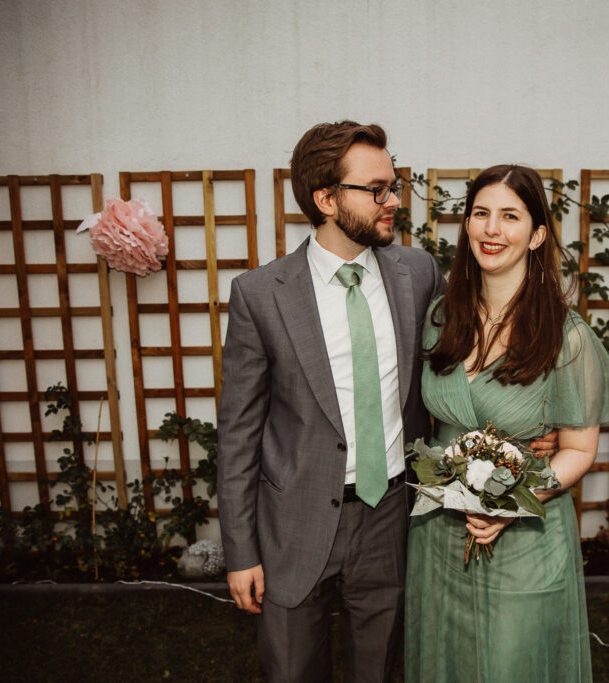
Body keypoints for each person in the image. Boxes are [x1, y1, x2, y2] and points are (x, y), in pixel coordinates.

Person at [216, 121, 446, 682]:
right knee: (293, 670)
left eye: (394, 186)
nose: (394, 201)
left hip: (389, 514)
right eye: (376, 189)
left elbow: (459, 368)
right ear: (325, 199)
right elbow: (239, 434)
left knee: (380, 668)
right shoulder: (260, 295)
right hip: (292, 523)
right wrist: (241, 551)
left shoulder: (418, 273)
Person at [404, 164, 609, 682]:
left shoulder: (565, 336)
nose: (492, 229)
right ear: (466, 225)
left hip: (526, 535)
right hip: (439, 535)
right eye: (480, 213)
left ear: (536, 236)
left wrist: (509, 504)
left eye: (510, 216)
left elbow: (579, 450)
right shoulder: (439, 319)